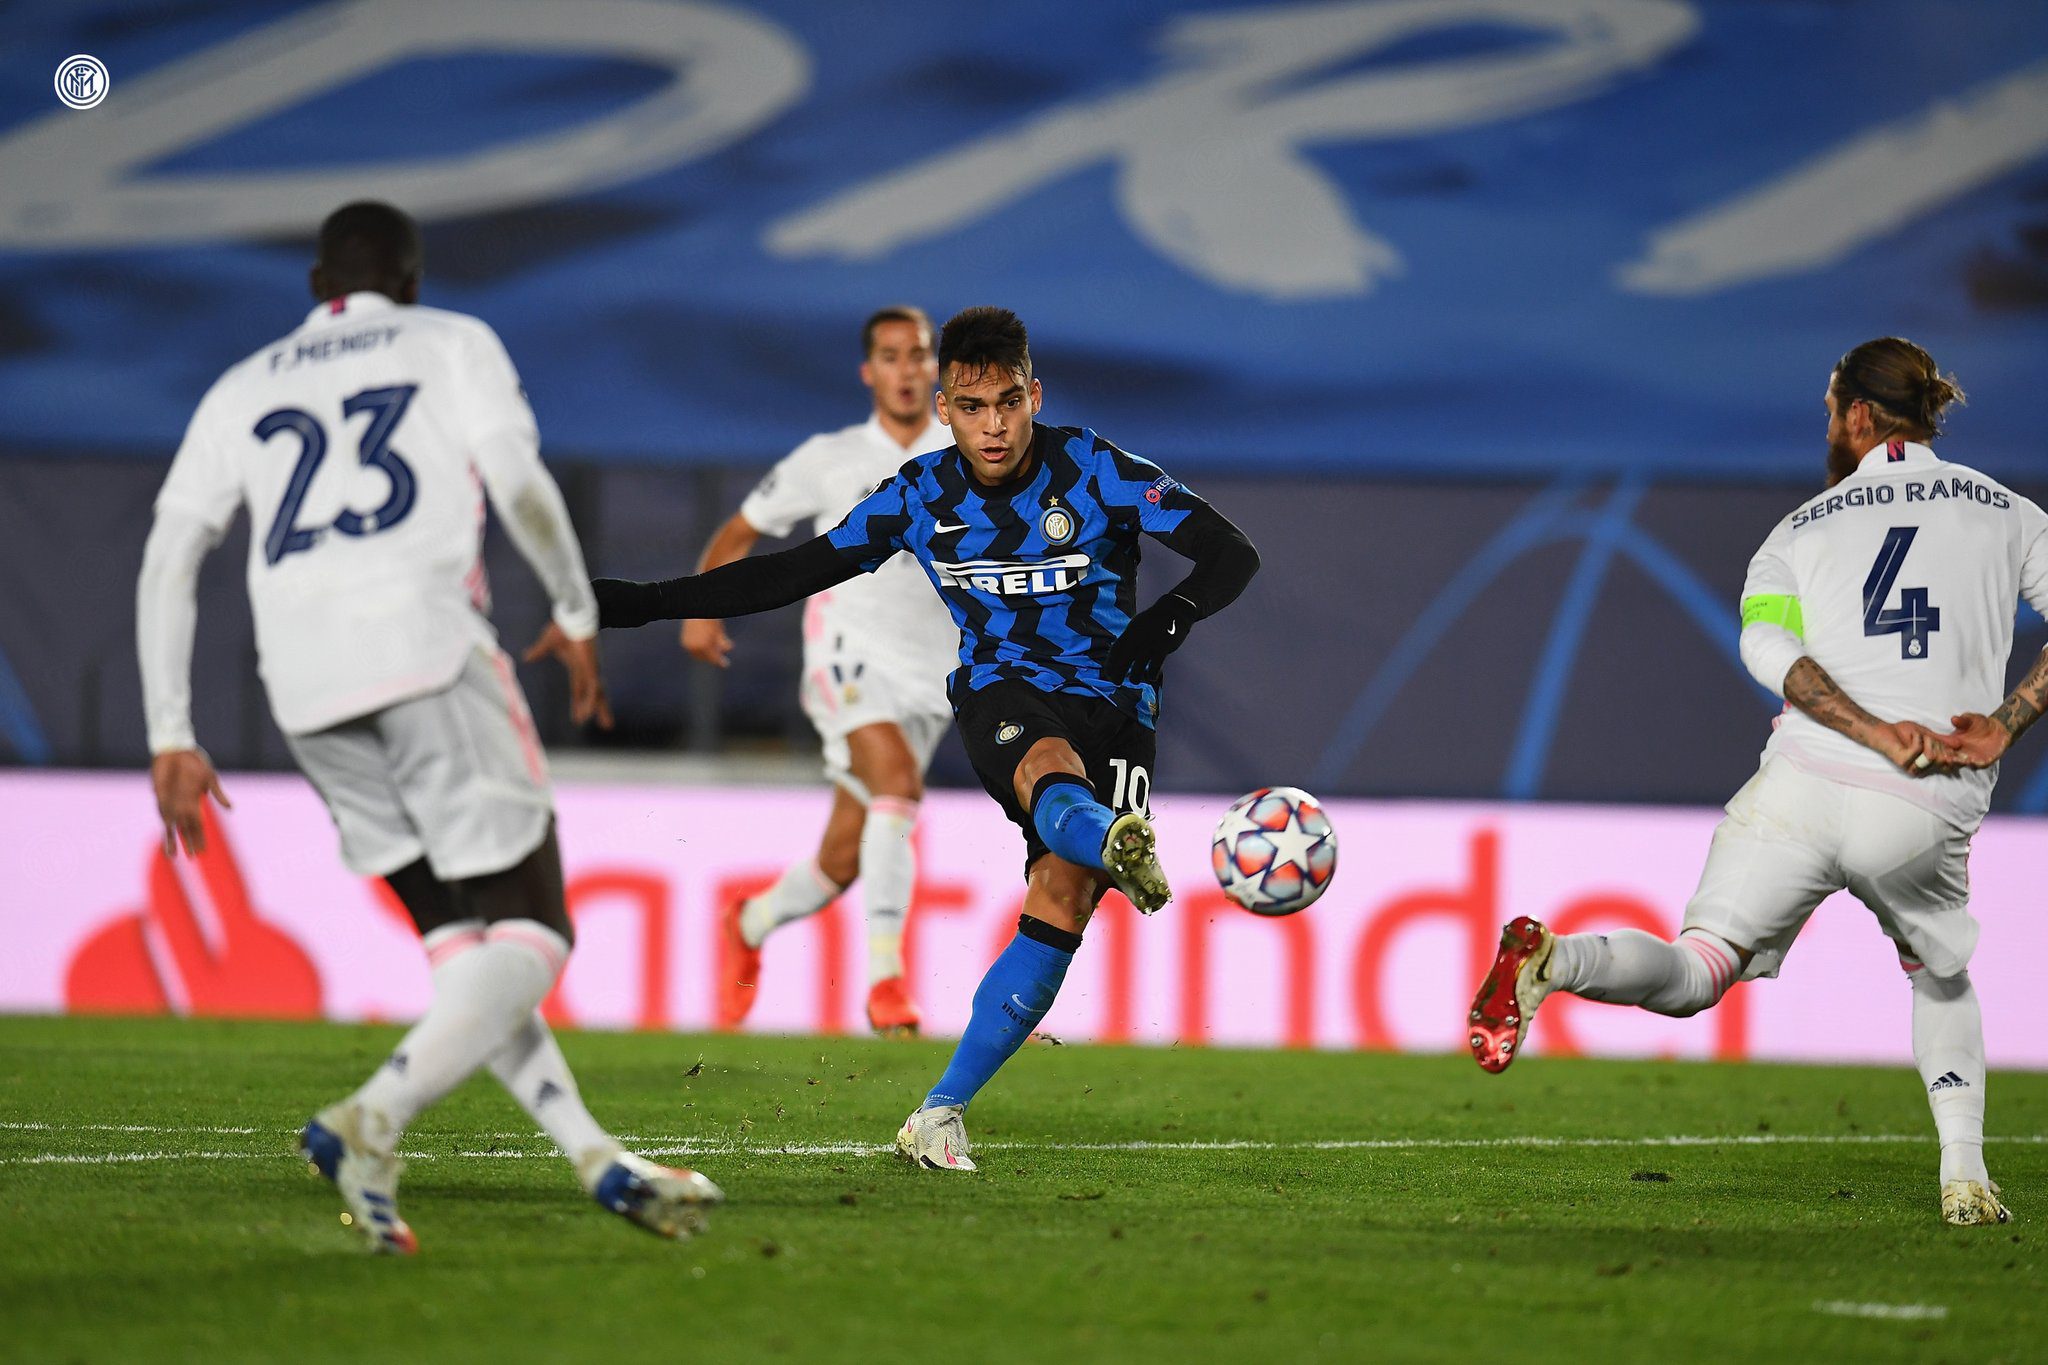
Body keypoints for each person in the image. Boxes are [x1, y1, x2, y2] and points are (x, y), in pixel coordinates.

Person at [134, 201, 722, 1253]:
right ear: (409, 276)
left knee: (465, 950)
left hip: (304, 685)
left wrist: (170, 730)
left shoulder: (241, 385)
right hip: (427, 653)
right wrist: (575, 609)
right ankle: (371, 1121)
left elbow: (171, 554)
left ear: (318, 280)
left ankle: (593, 1153)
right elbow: (517, 481)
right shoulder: (452, 342)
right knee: (537, 932)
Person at [574, 306, 1259, 1171]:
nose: (995, 425)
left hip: (1119, 698)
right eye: (973, 407)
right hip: (1001, 690)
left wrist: (1171, 617)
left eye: (1009, 402)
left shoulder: (1095, 466)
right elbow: (794, 569)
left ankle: (937, 1113)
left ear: (1034, 394)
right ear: (945, 409)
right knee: (1049, 775)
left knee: (1065, 896)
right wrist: (647, 601)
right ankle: (1112, 838)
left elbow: (1231, 552)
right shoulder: (919, 494)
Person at [1468, 337, 2046, 1227]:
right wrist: (2005, 721)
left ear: (1858, 414)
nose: (1828, 424)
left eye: (1829, 408)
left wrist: (1859, 726)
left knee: (1699, 970)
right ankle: (1964, 1176)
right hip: (1921, 796)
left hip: (1802, 782)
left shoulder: (1798, 531)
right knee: (1938, 975)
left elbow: (1766, 649)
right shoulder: (2008, 513)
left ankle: (1559, 957)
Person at [682, 306, 958, 1037]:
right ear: (869, 372)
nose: (906, 369)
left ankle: (749, 920)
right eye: (892, 356)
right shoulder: (828, 457)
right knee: (897, 784)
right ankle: (886, 983)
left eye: (919, 355)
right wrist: (703, 607)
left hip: (935, 675)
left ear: (936, 368)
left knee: (844, 856)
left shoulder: (969, 452)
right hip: (847, 651)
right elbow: (743, 528)